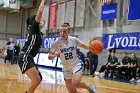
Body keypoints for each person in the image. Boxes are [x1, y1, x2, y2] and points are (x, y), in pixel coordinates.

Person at [48, 23, 96, 93]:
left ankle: (89, 87)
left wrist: (92, 48)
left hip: (76, 64)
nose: (62, 33)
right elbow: (49, 57)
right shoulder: (56, 43)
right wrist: (55, 55)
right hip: (66, 68)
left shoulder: (74, 40)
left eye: (64, 31)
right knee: (72, 91)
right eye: (60, 31)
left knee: (75, 83)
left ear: (68, 32)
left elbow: (85, 46)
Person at [17, 0, 46, 93]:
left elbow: (43, 21)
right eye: (39, 20)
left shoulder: (37, 32)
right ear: (35, 22)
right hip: (25, 57)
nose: (41, 22)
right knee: (36, 80)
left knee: (39, 78)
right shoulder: (34, 28)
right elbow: (40, 11)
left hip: (29, 58)